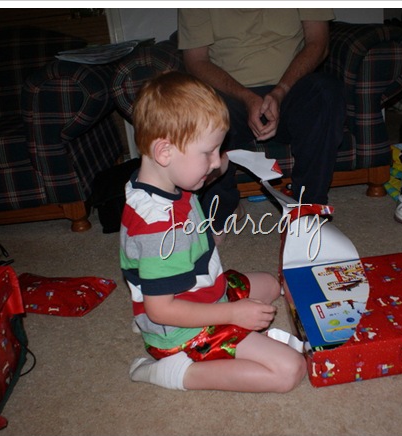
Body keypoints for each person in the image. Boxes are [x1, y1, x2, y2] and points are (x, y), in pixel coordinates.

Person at [120, 71, 307, 393]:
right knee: (289, 370)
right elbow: (160, 309)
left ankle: (152, 324)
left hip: (202, 291)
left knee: (270, 284)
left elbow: (208, 168)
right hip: (182, 329)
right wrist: (233, 313)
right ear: (165, 152)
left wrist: (222, 156)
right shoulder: (159, 228)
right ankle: (173, 371)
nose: (215, 163)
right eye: (208, 152)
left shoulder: (161, 176)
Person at [178, 8, 346, 233]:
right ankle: (221, 209)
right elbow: (195, 60)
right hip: (229, 95)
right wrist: (246, 97)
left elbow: (318, 42)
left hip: (292, 89)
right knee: (204, 107)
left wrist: (281, 91)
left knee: (326, 92)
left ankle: (308, 207)